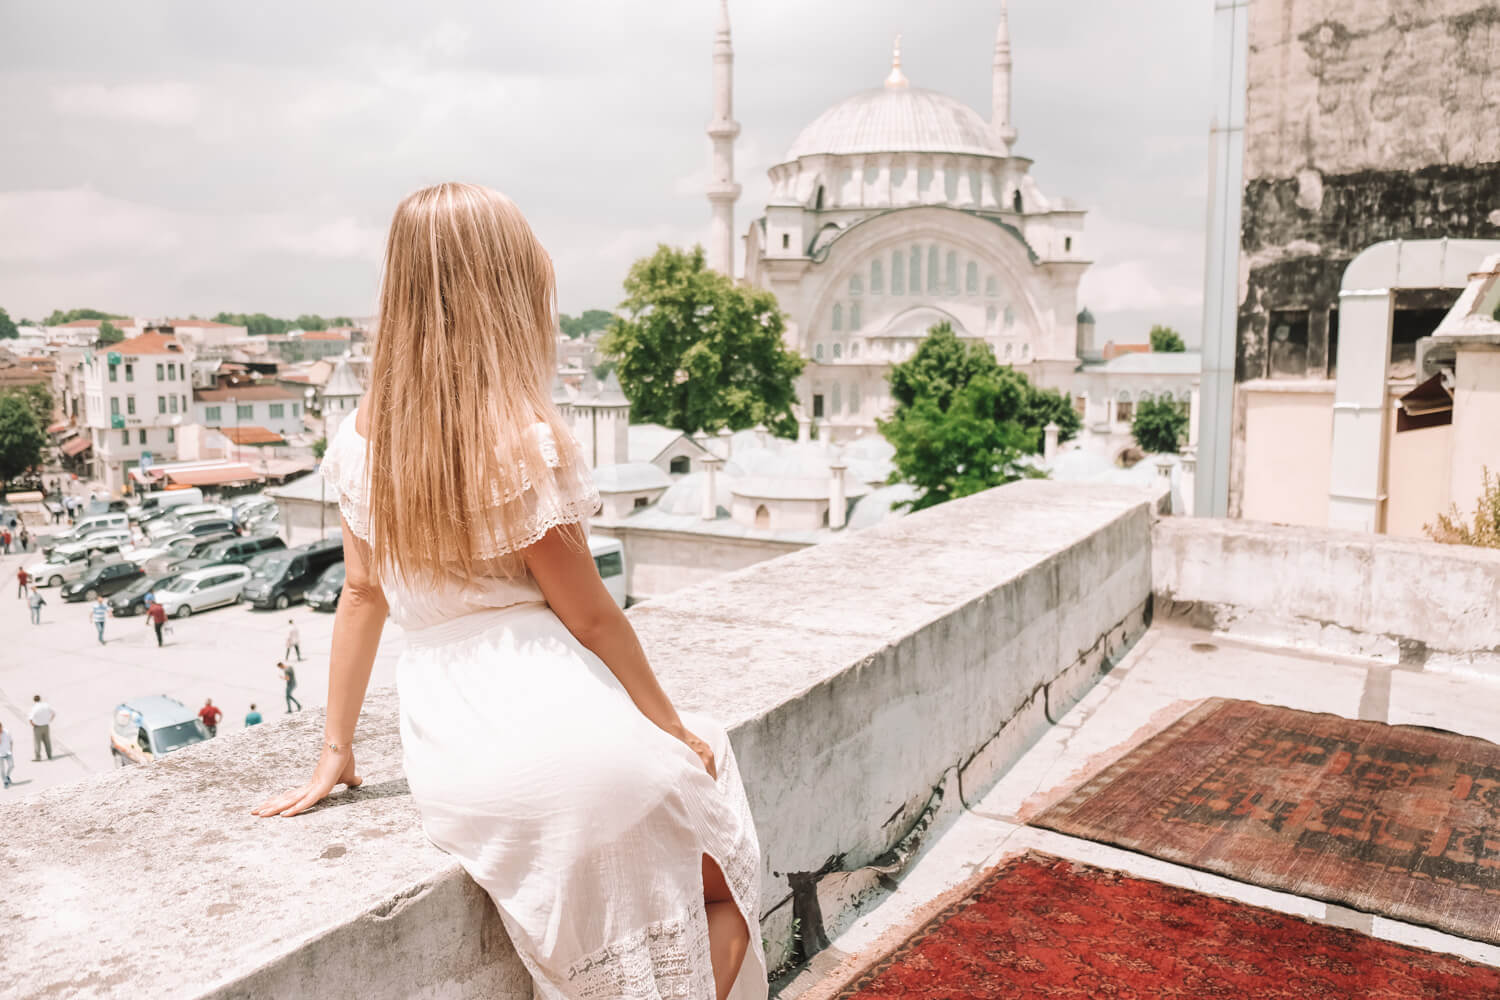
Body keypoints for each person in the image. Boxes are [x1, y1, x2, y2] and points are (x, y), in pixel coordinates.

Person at [253, 184, 762, 1000]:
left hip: (455, 753)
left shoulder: (357, 441)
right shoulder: (518, 440)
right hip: (572, 731)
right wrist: (670, 726)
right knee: (724, 891)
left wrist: (336, 751)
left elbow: (360, 594)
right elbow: (592, 617)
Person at [29, 695, 54, 762]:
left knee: (37, 742)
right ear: (40, 699)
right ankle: (49, 755)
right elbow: (53, 713)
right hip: (46, 726)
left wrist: (34, 725)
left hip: (38, 727)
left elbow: (30, 719)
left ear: (34, 700)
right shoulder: (46, 705)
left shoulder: (34, 708)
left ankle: (38, 757)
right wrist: (49, 720)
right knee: (47, 741)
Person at [0, 721, 13, 788]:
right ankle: (5, 781)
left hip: (8, 752)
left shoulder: (6, 732)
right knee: (2, 769)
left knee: (11, 765)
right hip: (0, 754)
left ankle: (7, 776)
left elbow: (11, 741)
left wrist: (11, 750)